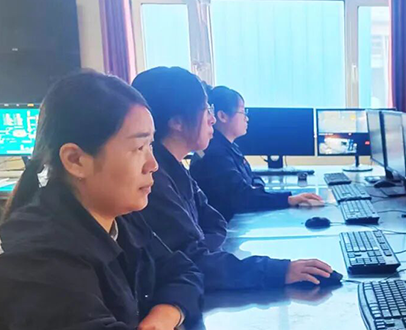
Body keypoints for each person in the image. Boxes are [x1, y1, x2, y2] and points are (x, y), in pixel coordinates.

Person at [0, 71, 344, 330]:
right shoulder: (34, 255)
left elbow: (183, 269)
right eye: (138, 148)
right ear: (76, 160)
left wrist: (166, 313)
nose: (153, 164)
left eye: (151, 146)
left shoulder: (119, 219)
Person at [132, 67, 335, 291]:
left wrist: (203, 250)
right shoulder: (154, 182)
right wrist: (280, 271)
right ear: (177, 122)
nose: (211, 119)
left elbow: (215, 223)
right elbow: (194, 262)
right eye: (206, 110)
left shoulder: (176, 169)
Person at [190, 85, 323, 221]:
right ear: (222, 116)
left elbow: (252, 179)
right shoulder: (215, 154)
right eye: (243, 112)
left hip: (234, 221)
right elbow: (242, 197)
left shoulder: (229, 148)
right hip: (226, 226)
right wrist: (288, 199)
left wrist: (255, 190)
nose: (247, 118)